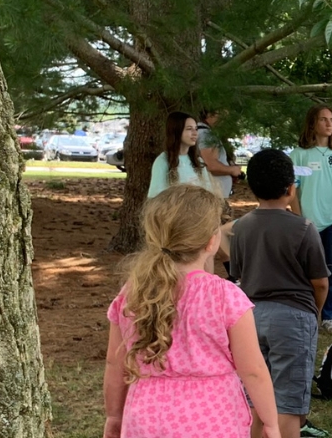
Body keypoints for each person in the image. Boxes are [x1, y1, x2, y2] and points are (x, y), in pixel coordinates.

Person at [102, 186, 279, 438]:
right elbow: (253, 370)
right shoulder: (225, 296)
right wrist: (270, 422)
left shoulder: (132, 292)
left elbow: (115, 361)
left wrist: (113, 415)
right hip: (212, 417)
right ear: (211, 241)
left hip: (146, 416)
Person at [228, 149, 330, 438]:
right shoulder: (304, 227)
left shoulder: (241, 227)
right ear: (290, 188)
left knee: (254, 396)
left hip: (250, 318)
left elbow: (237, 275)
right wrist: (316, 311)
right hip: (293, 318)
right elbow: (320, 282)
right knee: (288, 403)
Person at [290, 104, 332, 335]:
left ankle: (328, 317)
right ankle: (308, 314)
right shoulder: (298, 155)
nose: (329, 124)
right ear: (312, 123)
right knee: (305, 272)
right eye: (323, 119)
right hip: (307, 223)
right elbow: (293, 192)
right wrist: (299, 221)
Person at [147, 112, 215, 199]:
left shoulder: (198, 161)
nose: (195, 133)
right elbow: (155, 197)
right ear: (176, 131)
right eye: (189, 129)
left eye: (196, 129)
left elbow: (209, 193)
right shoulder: (163, 161)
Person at [197, 108, 243, 205]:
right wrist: (232, 170)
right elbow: (211, 165)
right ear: (209, 114)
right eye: (220, 115)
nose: (224, 119)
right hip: (214, 197)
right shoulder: (206, 135)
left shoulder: (203, 132)